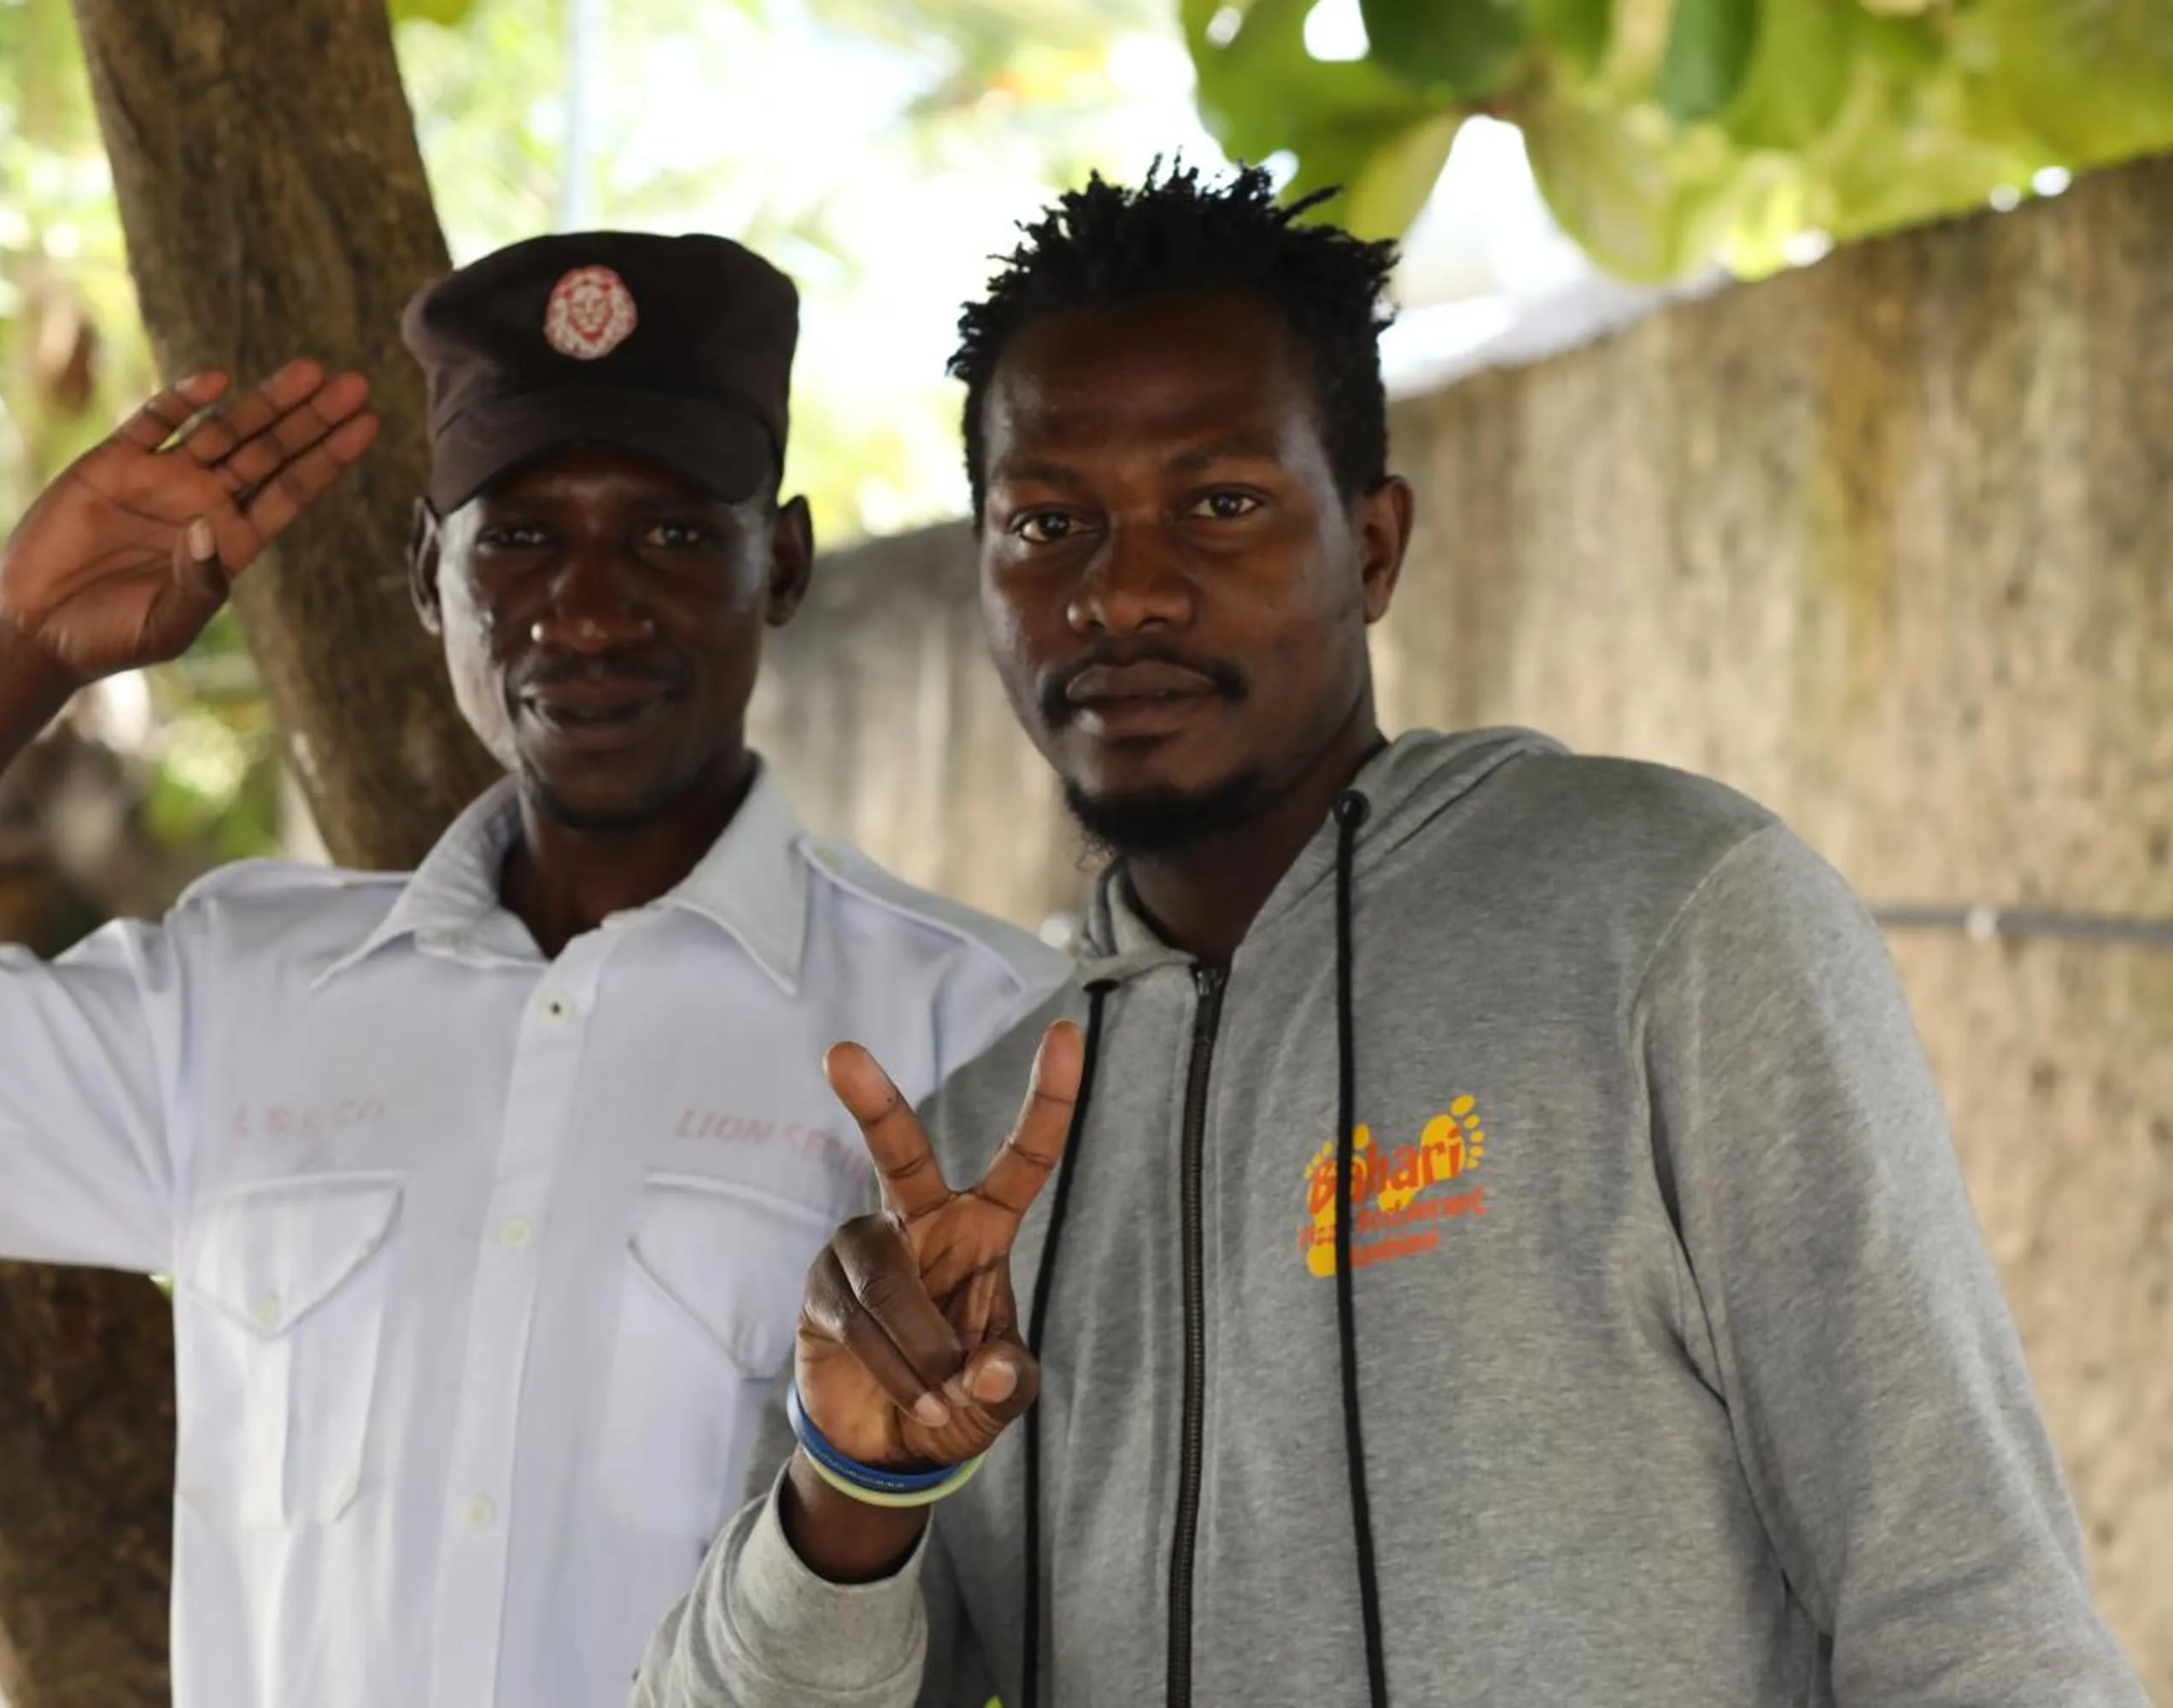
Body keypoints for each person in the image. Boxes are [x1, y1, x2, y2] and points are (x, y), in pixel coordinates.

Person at [636, 167, 2147, 1707]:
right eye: (1048, 522)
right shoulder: (974, 1149)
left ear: (1372, 546)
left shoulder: (1671, 922)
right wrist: (849, 1504)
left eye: (1219, 505)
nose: (1125, 592)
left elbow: (1971, 1619)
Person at [0, 232, 1064, 1707]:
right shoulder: (235, 996)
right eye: (517, 539)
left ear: (778, 562)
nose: (585, 613)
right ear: (421, 571)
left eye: (668, 537)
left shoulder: (972, 1028)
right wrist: (13, 649)